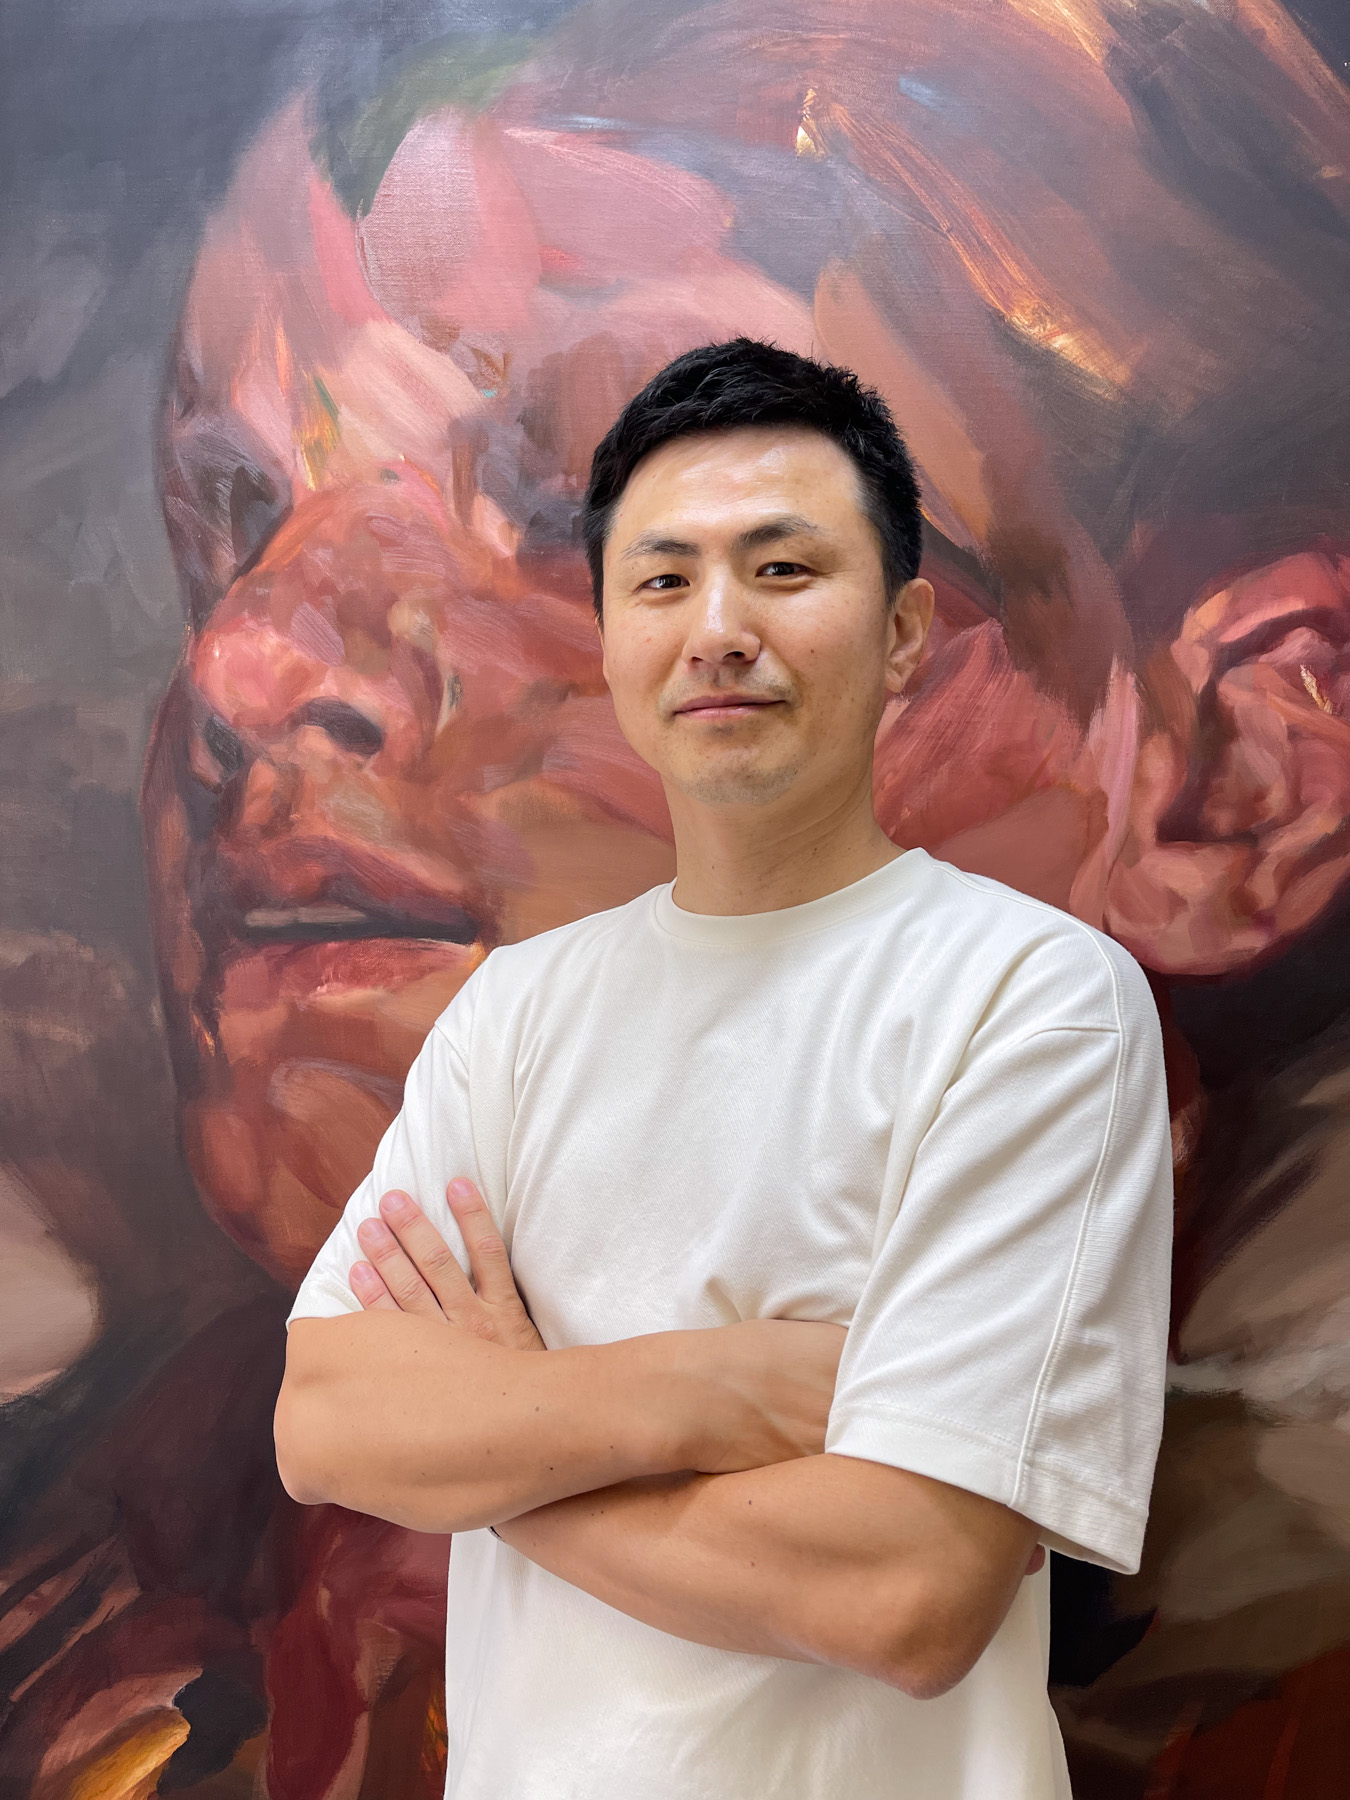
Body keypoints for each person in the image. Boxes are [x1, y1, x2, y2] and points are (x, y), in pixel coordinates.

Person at [274, 339, 1174, 1799]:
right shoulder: (513, 1013)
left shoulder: (1033, 1002)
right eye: (662, 580)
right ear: (608, 638)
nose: (716, 630)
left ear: (904, 633)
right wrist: (717, 1387)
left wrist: (507, 1443)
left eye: (782, 569)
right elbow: (326, 1423)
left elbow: (907, 1595)